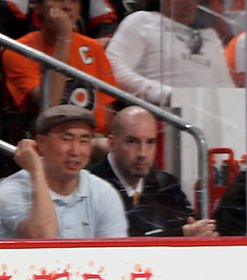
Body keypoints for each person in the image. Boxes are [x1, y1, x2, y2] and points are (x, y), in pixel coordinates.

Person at [0, 104, 127, 238]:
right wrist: (36, 172)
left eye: (84, 140)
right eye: (66, 139)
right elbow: (43, 240)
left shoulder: (102, 193)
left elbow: (116, 254)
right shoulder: (10, 191)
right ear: (41, 142)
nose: (75, 151)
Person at [89, 106, 218, 237]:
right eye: (132, 141)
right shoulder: (91, 186)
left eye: (150, 142)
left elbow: (193, 227)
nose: (142, 153)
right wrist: (179, 235)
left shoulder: (167, 185)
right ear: (112, 143)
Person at [2, 0, 119, 133]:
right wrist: (64, 37)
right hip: (53, 136)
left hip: (97, 138)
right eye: (58, 0)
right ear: (38, 7)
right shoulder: (19, 52)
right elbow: (50, 105)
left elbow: (107, 109)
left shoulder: (94, 48)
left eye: (74, 1)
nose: (67, 6)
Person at [105, 0, 234, 106]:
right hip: (156, 117)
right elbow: (111, 69)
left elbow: (226, 88)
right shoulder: (141, 21)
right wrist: (165, 95)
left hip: (207, 118)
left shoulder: (210, 36)